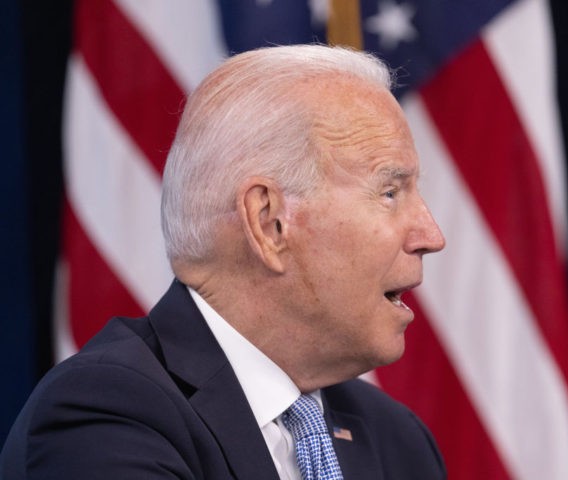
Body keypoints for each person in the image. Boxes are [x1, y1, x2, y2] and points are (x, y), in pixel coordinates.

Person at [1, 44, 446, 479]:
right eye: (390, 193)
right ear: (269, 222)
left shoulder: (397, 441)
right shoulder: (106, 415)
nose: (432, 236)